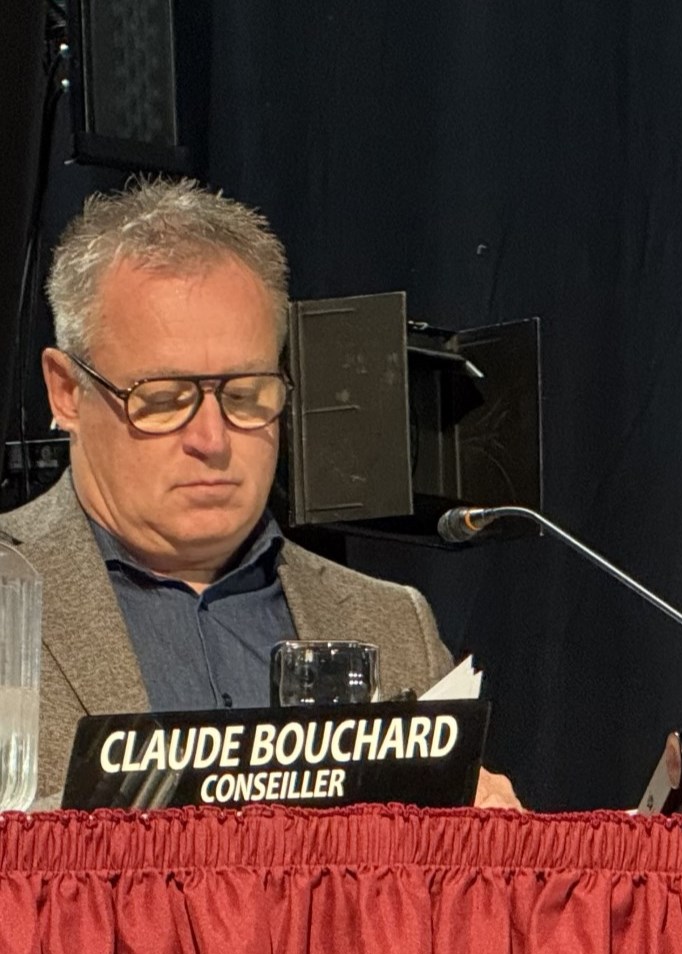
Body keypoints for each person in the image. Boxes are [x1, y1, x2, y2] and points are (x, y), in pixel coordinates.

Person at [0, 179, 520, 809]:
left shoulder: (390, 622)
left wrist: (491, 838)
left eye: (246, 396)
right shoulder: (9, 590)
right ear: (65, 391)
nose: (211, 439)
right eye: (162, 400)